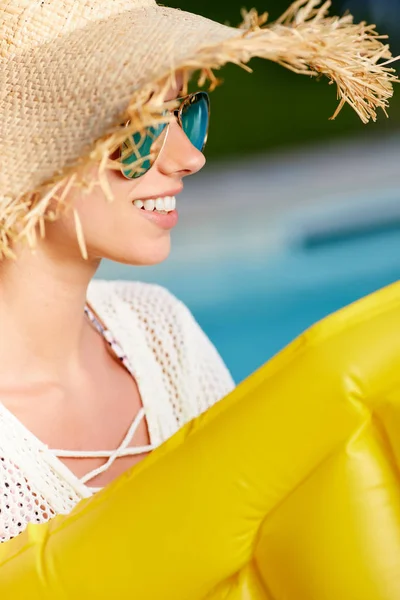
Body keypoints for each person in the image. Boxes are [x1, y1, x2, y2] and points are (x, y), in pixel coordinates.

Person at [0, 0, 396, 544]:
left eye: (187, 111)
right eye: (142, 127)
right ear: (29, 154)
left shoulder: (162, 332)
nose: (188, 157)